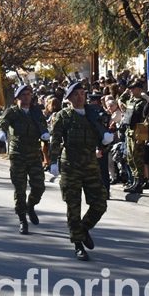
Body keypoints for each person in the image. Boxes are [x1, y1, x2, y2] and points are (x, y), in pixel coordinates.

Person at [49, 82, 113, 261]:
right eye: (75, 94)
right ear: (68, 99)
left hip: (90, 165)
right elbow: (55, 139)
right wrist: (53, 162)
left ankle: (83, 229)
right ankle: (78, 244)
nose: (80, 97)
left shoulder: (93, 114)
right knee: (73, 206)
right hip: (70, 165)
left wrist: (105, 145)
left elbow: (103, 135)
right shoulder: (63, 116)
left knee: (100, 203)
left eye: (82, 93)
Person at [0, 84, 49, 234]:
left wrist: (45, 133)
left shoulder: (36, 112)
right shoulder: (12, 112)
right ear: (17, 97)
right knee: (20, 189)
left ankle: (30, 205)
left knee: (39, 187)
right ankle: (22, 219)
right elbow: (3, 124)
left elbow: (42, 125)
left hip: (33, 154)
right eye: (24, 94)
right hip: (18, 155)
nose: (27, 97)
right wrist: (2, 133)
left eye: (29, 94)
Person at [121, 79, 148, 193]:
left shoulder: (142, 102)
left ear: (139, 89)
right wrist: (125, 92)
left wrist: (141, 138)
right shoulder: (131, 100)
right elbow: (121, 100)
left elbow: (141, 118)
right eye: (130, 88)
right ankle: (134, 181)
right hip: (129, 132)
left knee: (138, 158)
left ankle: (139, 183)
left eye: (133, 88)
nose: (131, 90)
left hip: (137, 133)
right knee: (130, 158)